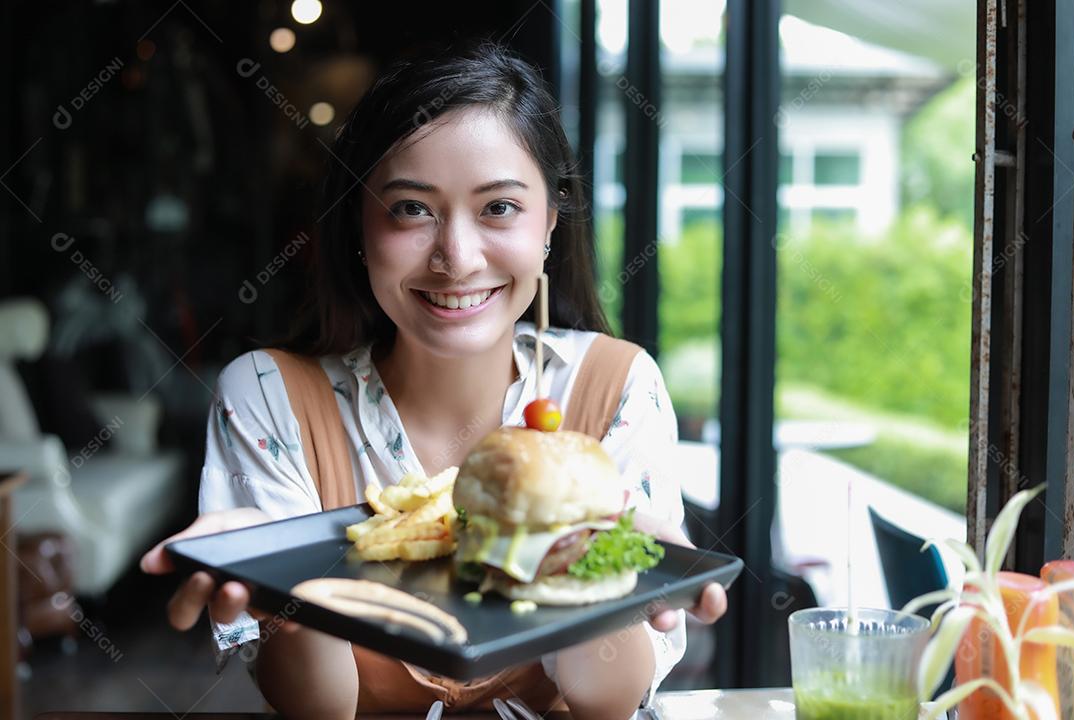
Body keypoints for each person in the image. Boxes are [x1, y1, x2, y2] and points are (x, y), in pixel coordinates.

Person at [139, 41, 727, 720]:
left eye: (499, 208)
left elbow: (607, 703)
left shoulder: (615, 386)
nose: (457, 256)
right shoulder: (268, 398)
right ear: (360, 224)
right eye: (412, 209)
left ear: (550, 224)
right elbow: (318, 710)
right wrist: (287, 583)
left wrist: (598, 559)